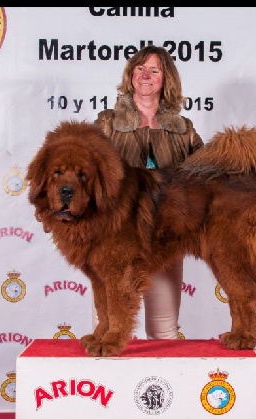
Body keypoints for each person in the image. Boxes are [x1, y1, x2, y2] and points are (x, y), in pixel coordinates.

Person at [94, 45, 204, 340]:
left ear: (165, 79)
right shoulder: (107, 123)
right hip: (114, 240)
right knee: (111, 329)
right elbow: (86, 175)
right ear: (130, 76)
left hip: (166, 237)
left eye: (154, 70)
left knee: (163, 329)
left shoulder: (184, 129)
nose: (145, 75)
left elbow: (206, 175)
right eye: (140, 69)